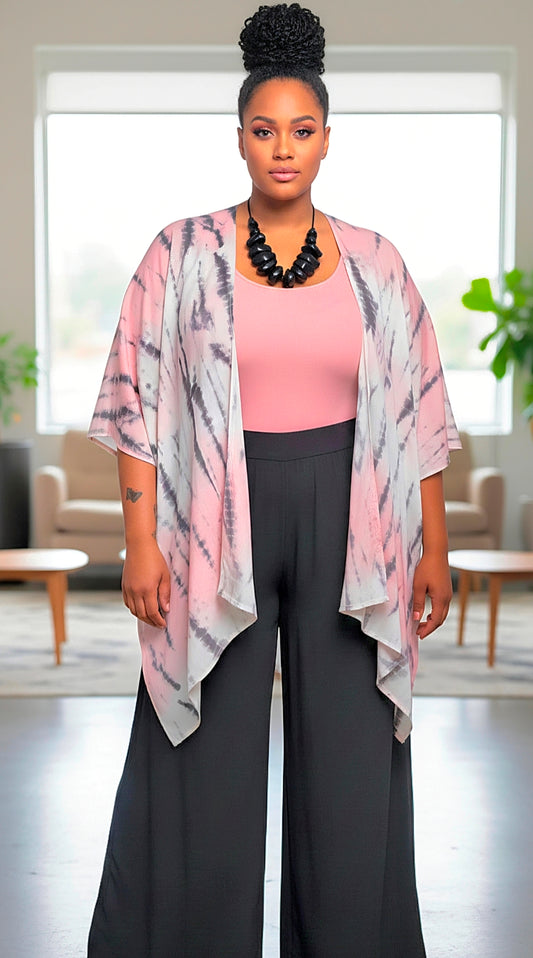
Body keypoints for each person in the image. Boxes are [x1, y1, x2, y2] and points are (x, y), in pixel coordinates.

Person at [87, 4, 461, 956]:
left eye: (301, 131)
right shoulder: (178, 255)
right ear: (240, 137)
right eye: (264, 130)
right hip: (217, 518)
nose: (281, 149)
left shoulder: (376, 262)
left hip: (352, 523)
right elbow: (136, 397)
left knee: (349, 757)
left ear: (328, 140)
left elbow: (419, 409)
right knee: (199, 745)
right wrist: (139, 541)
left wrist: (436, 550)